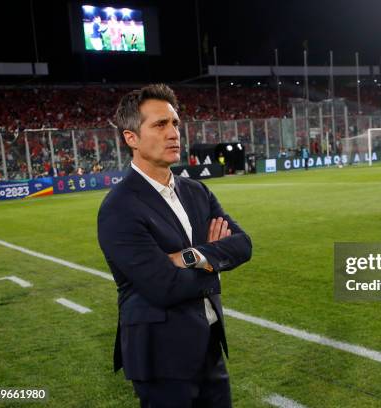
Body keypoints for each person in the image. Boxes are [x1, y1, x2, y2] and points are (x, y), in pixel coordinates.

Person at [97, 84, 252, 408]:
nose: (173, 133)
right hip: (161, 356)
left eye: (175, 124)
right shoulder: (119, 207)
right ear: (131, 138)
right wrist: (214, 262)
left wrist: (191, 257)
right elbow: (164, 286)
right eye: (159, 125)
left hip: (209, 346)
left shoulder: (196, 191)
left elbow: (243, 245)